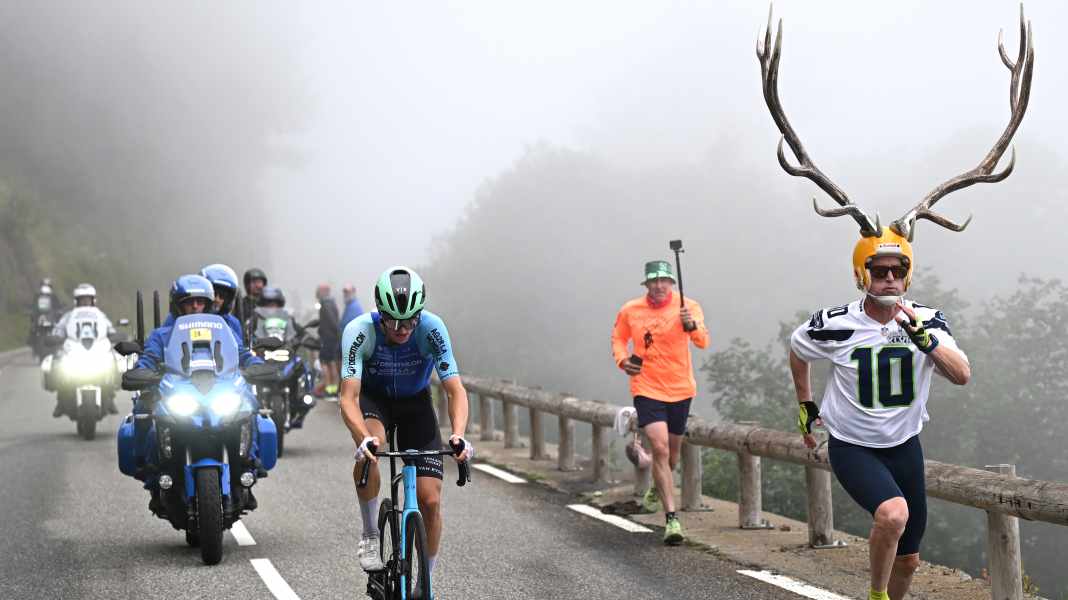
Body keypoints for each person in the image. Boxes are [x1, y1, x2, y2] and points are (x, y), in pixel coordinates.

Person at [789, 231, 970, 600]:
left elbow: (962, 374)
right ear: (861, 274)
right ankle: (875, 594)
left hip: (904, 445)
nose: (890, 278)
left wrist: (926, 342)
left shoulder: (928, 320)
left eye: (898, 270)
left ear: (909, 275)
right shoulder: (835, 322)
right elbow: (798, 349)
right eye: (879, 270)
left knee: (908, 561)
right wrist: (806, 404)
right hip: (853, 445)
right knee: (892, 515)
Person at [339, 266, 472, 575]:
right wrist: (362, 438)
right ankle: (371, 533)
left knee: (430, 502)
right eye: (394, 321)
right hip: (376, 403)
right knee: (374, 447)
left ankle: (425, 581)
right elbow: (348, 397)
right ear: (381, 313)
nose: (402, 328)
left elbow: (455, 390)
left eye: (411, 320)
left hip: (416, 405)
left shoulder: (432, 328)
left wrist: (460, 434)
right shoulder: (359, 331)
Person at [611, 260, 709, 545]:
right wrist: (623, 360)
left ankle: (657, 483)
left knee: (672, 456)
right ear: (646, 285)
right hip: (646, 386)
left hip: (680, 388)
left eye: (664, 281)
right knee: (660, 447)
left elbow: (703, 341)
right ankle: (672, 519)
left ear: (671, 283)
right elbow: (618, 338)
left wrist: (692, 326)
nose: (658, 286)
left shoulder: (687, 306)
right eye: (653, 281)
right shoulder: (631, 309)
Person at [50, 283, 119, 416]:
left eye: (88, 299)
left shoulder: (100, 316)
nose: (85, 302)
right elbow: (58, 330)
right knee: (58, 364)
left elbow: (110, 329)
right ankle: (61, 400)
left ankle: (110, 396)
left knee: (114, 361)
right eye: (82, 299)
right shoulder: (68, 316)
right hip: (75, 351)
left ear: (93, 300)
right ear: (76, 301)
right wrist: (55, 337)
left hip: (96, 352)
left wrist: (116, 335)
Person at [315, 283, 341, 397]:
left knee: (326, 363)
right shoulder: (332, 303)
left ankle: (330, 390)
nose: (317, 293)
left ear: (324, 291)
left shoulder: (326, 304)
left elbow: (331, 321)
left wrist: (324, 331)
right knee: (331, 363)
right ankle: (332, 390)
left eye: (319, 291)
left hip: (328, 339)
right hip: (332, 338)